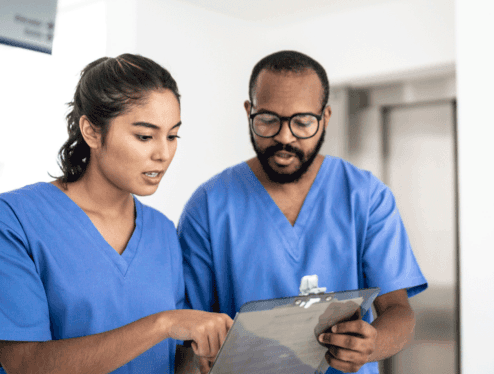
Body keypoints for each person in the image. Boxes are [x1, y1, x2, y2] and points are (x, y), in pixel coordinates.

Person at [0, 54, 232, 374]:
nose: (163, 154)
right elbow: (26, 364)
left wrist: (209, 357)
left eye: (172, 136)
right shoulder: (7, 222)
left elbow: (167, 357)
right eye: (145, 136)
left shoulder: (161, 231)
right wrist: (164, 323)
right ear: (91, 131)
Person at [178, 50, 428, 374]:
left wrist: (371, 344)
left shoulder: (366, 197)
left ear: (325, 117)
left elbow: (399, 313)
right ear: (248, 111)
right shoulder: (208, 206)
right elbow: (186, 334)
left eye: (302, 122)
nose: (284, 137)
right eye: (267, 119)